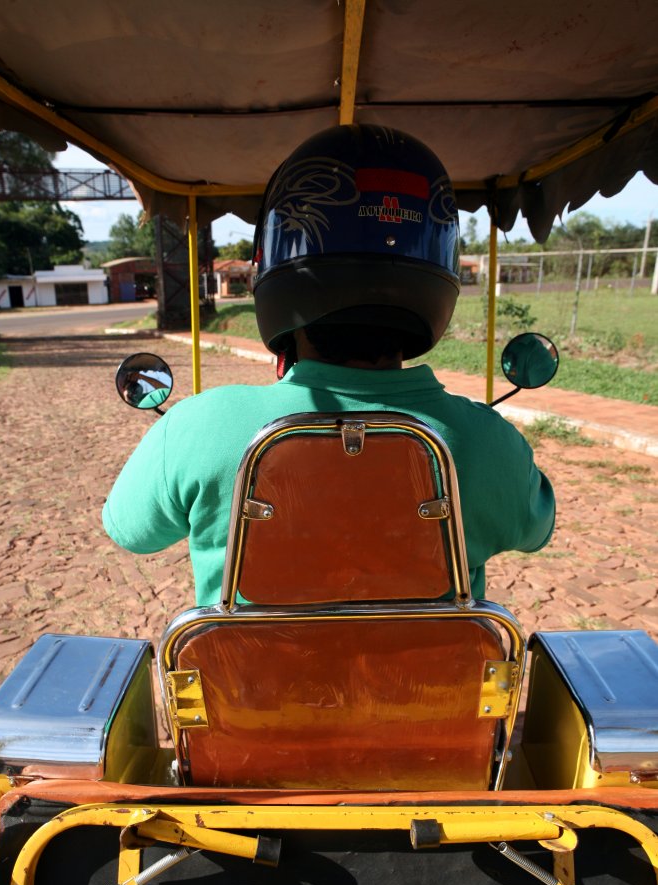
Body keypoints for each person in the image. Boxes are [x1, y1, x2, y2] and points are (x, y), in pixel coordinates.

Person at [103, 123, 554, 605]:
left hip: (251, 681)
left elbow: (130, 531)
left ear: (276, 278)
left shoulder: (197, 426)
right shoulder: (488, 439)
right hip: (434, 682)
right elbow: (536, 530)